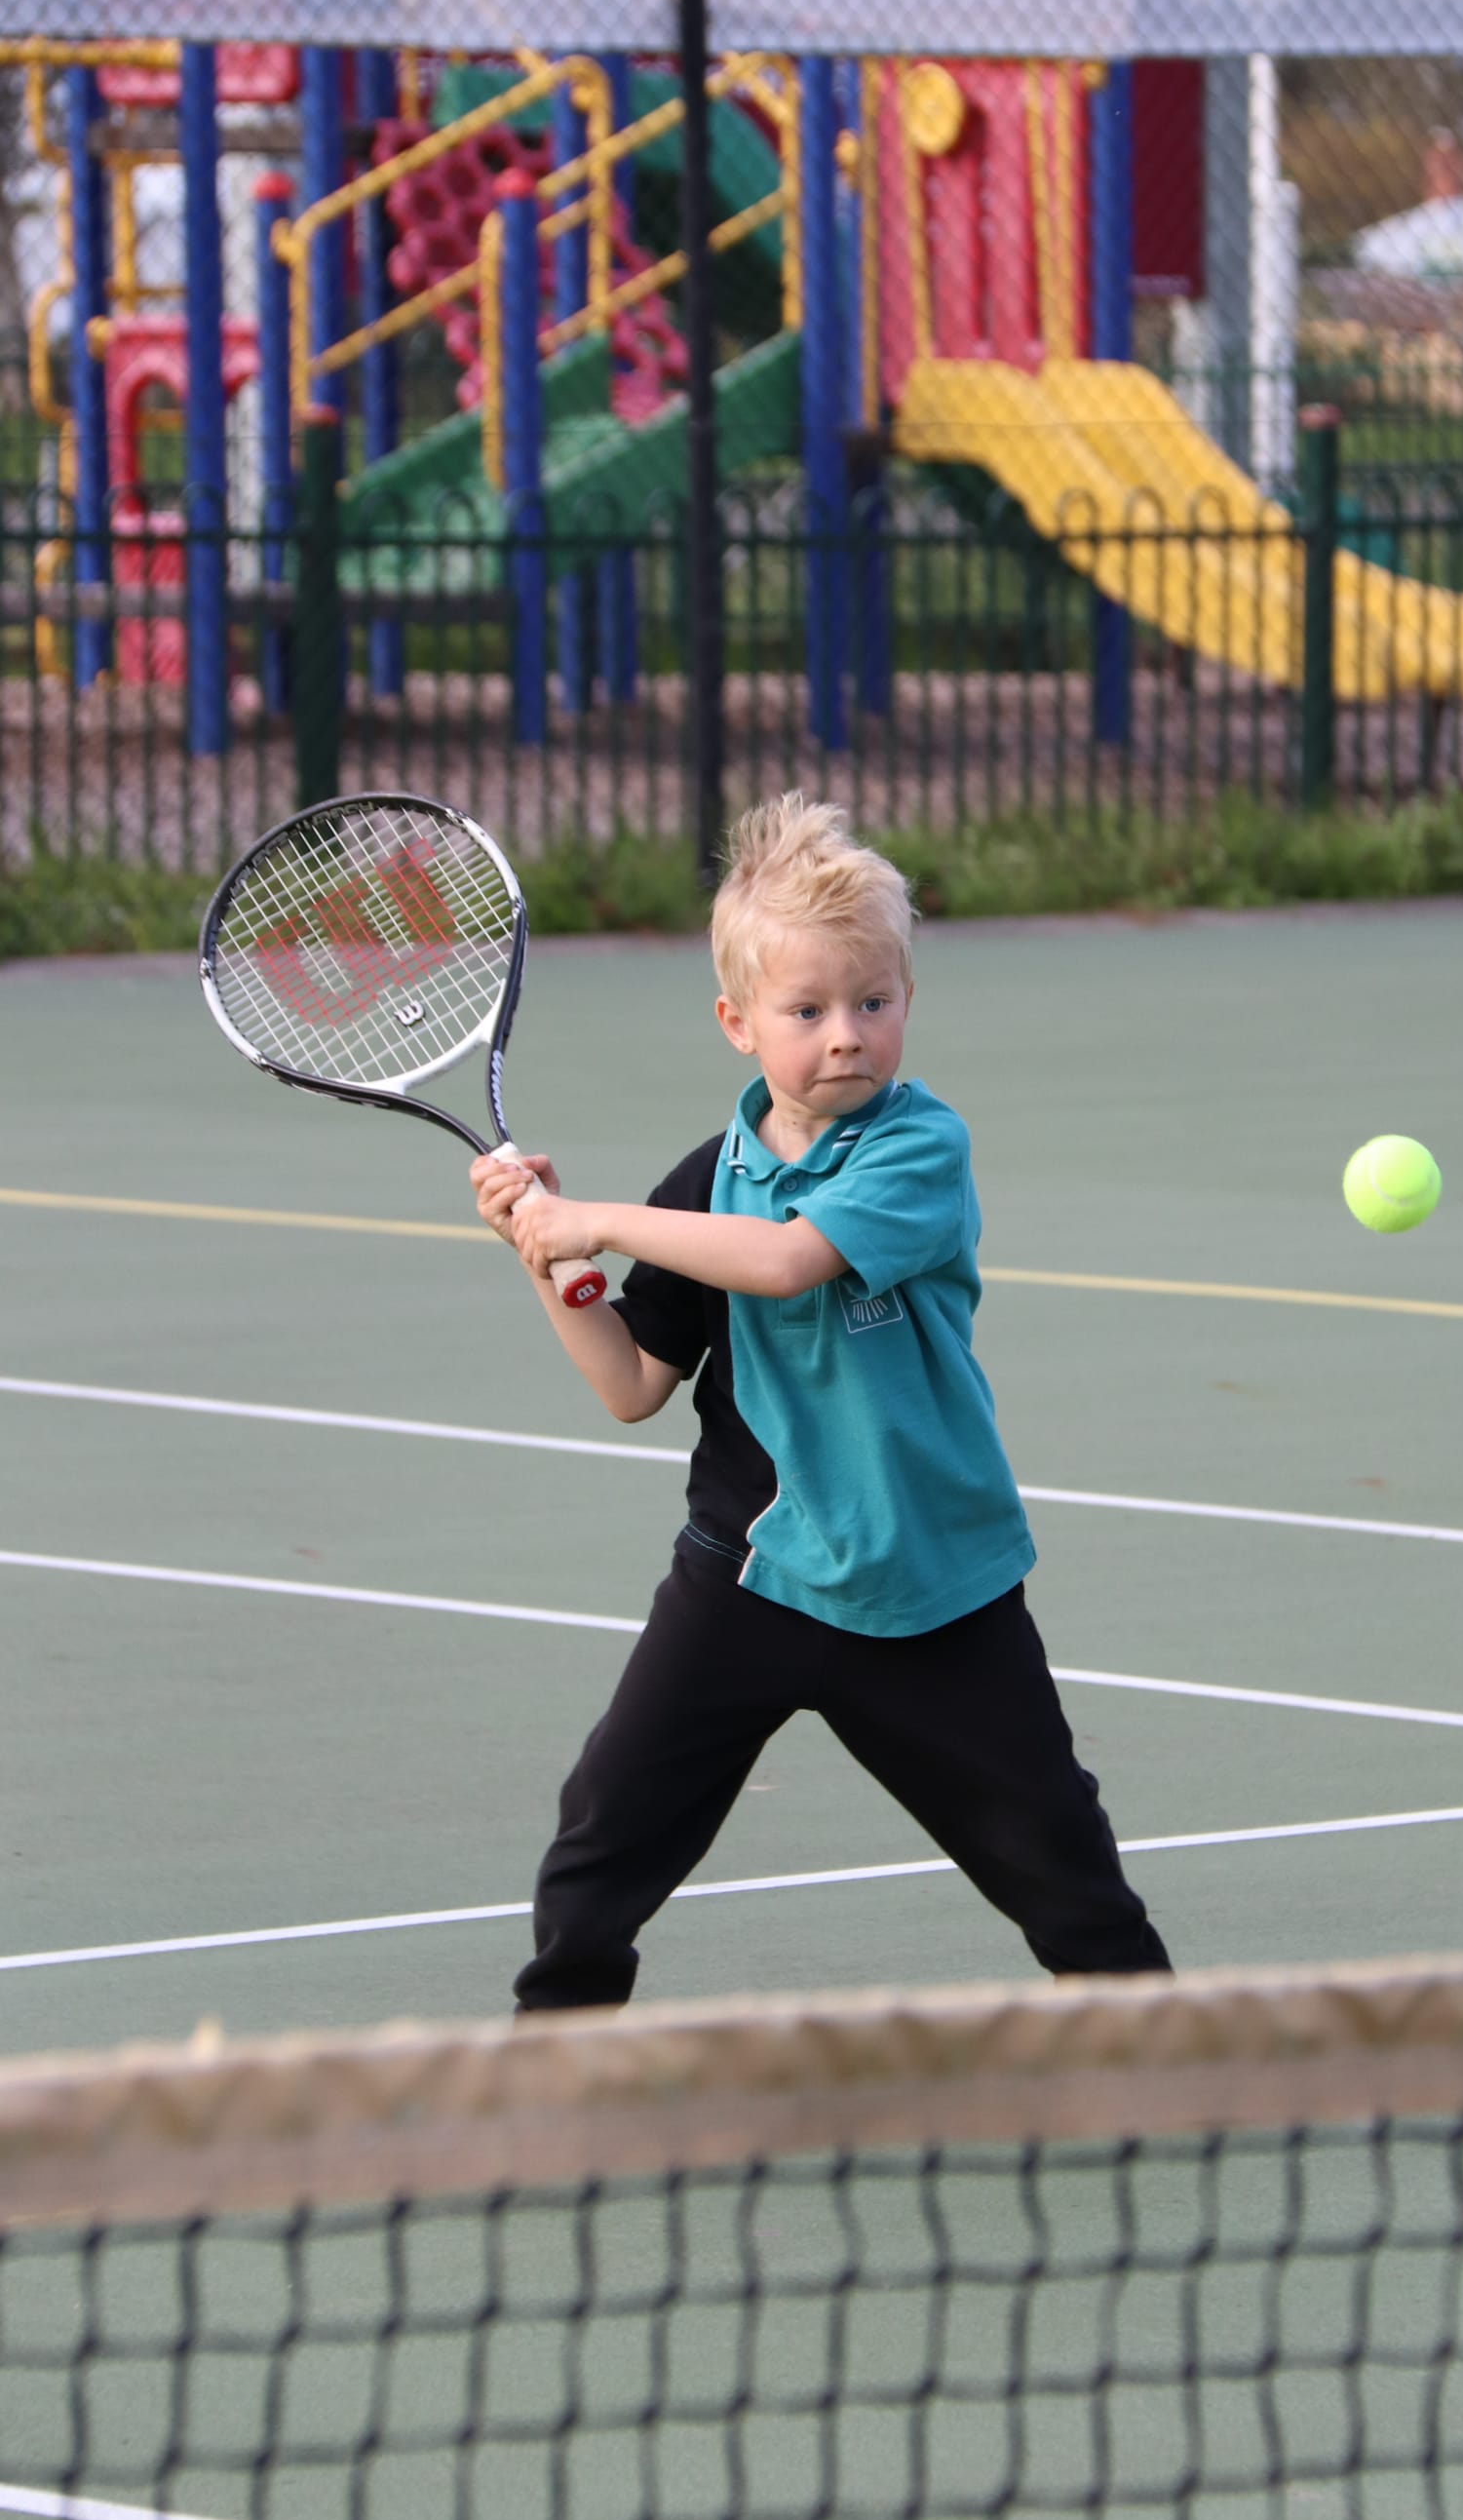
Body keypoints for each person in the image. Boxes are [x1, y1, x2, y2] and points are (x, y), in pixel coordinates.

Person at [472, 793, 1171, 2008]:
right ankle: (560, 2046)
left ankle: (1153, 2036)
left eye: (872, 1003)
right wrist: (545, 1262)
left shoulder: (916, 1151)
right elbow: (632, 1384)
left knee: (1053, 1851)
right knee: (607, 1827)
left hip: (927, 1578)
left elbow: (788, 1259)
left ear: (906, 1001)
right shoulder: (703, 1183)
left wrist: (593, 1217)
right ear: (737, 1023)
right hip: (747, 1576)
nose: (844, 1036)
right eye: (806, 1011)